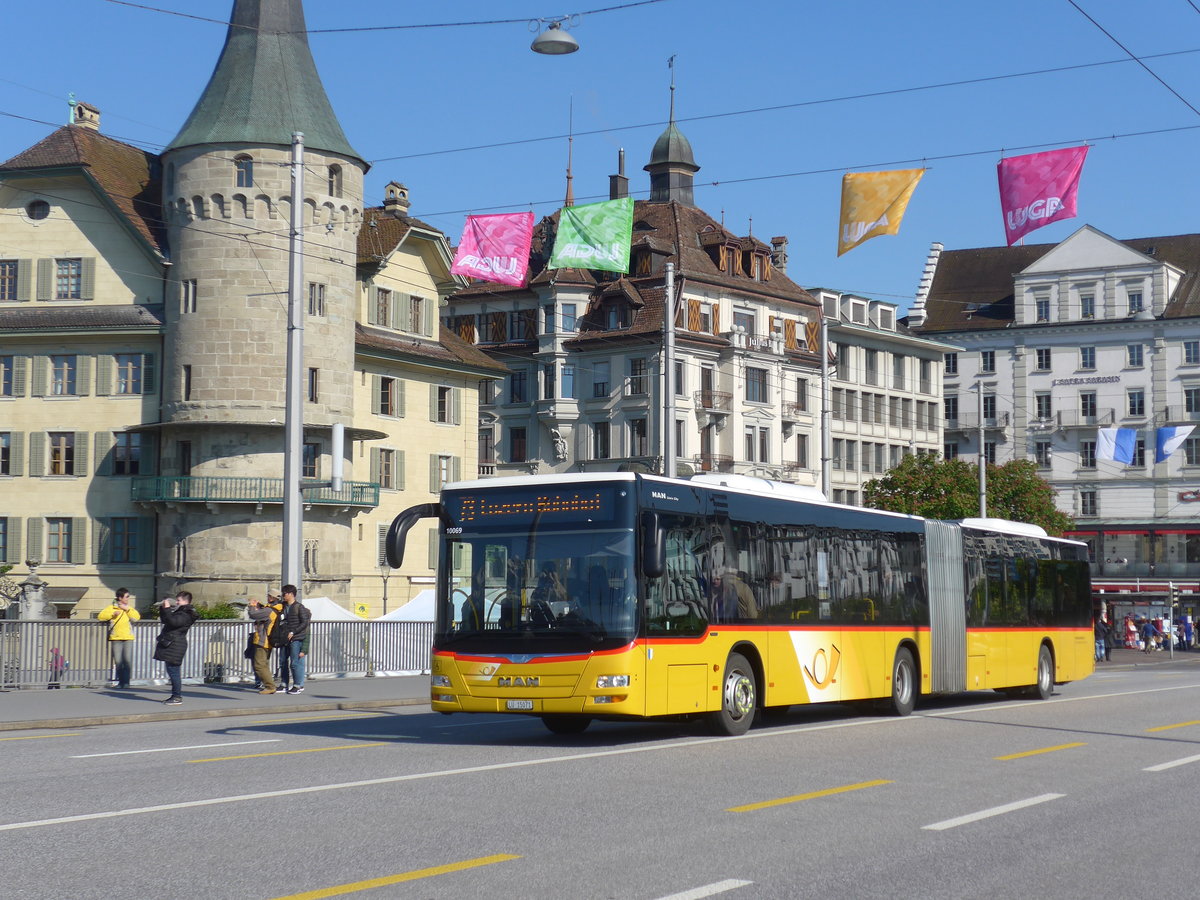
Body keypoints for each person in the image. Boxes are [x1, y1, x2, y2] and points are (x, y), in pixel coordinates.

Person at [154, 591, 199, 705]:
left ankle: (177, 697)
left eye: (179, 600)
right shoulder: (181, 612)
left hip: (176, 644)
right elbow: (166, 620)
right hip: (173, 644)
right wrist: (163, 609)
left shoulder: (186, 613)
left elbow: (173, 622)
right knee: (173, 671)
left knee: (174, 672)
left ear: (185, 601)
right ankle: (176, 696)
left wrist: (168, 609)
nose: (177, 602)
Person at [97, 588, 141, 688]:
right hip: (116, 637)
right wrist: (112, 615)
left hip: (128, 637)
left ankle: (126, 683)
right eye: (126, 596)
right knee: (118, 661)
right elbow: (101, 616)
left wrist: (128, 609)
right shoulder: (112, 607)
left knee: (127, 661)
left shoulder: (128, 608)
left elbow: (136, 617)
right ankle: (121, 682)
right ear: (120, 598)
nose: (128, 598)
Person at [276, 584, 311, 695]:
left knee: (294, 663)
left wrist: (293, 632)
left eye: (284, 594)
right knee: (282, 661)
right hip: (284, 637)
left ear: (291, 594)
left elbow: (304, 622)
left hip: (295, 638)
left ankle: (297, 685)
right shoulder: (282, 606)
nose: (283, 596)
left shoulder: (299, 607)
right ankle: (284, 684)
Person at [248, 591, 284, 694]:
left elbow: (253, 614)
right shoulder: (277, 609)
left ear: (272, 598)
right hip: (269, 639)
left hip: (263, 640)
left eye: (268, 596)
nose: (267, 597)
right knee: (264, 664)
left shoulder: (269, 611)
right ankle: (268, 684)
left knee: (259, 664)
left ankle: (270, 686)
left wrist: (251, 606)